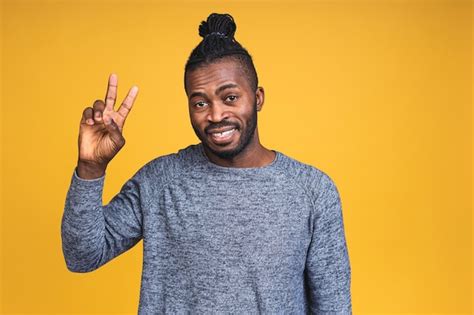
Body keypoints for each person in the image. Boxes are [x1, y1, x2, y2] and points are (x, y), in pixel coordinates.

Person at [61, 12, 352, 314]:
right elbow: (82, 256)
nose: (215, 115)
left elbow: (334, 307)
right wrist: (91, 169)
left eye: (230, 98)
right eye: (200, 102)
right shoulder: (160, 182)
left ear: (258, 98)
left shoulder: (313, 191)